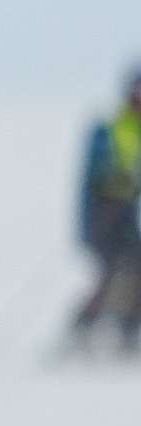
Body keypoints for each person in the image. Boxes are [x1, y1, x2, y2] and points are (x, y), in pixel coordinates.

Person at [70, 66, 141, 353]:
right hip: (103, 214)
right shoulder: (110, 127)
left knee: (136, 269)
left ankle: (129, 330)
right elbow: (94, 171)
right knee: (110, 271)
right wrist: (112, 181)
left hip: (126, 215)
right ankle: (81, 330)